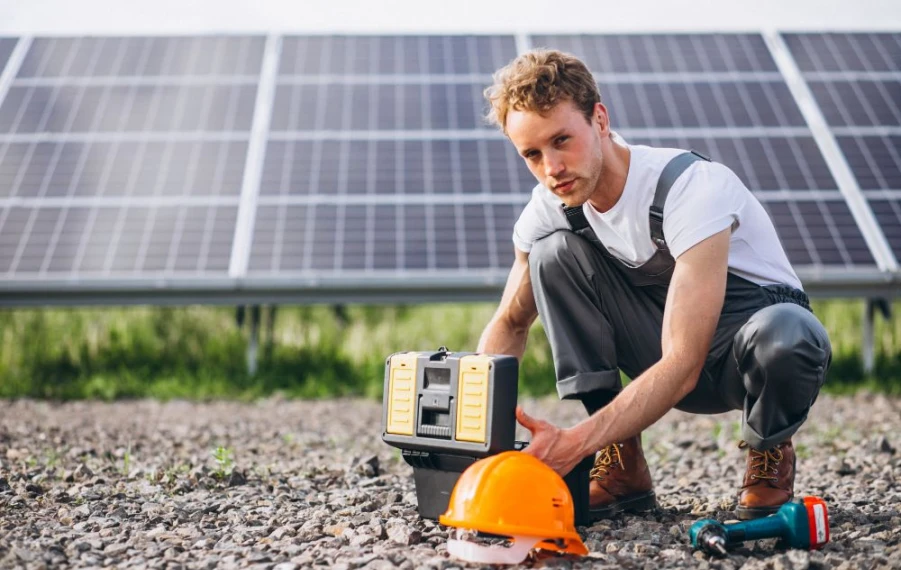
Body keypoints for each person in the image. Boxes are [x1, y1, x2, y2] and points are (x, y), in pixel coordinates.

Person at [476, 49, 832, 520]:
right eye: (533, 154)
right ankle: (622, 467)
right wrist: (475, 437)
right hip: (659, 352)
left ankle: (769, 453)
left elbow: (685, 363)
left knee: (790, 333)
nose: (552, 168)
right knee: (552, 254)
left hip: (741, 357)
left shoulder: (690, 188)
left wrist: (574, 446)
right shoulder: (549, 206)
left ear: (599, 120)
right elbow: (510, 321)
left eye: (562, 140)